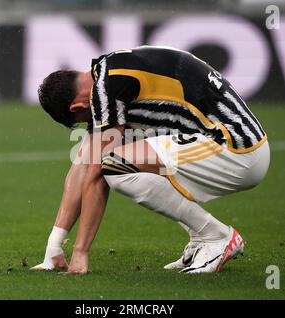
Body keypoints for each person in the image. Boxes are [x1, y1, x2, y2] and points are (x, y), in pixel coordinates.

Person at [31, 46, 270, 274]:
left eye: (84, 119)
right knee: (114, 155)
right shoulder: (107, 72)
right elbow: (83, 162)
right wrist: (55, 245)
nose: (89, 123)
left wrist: (80, 252)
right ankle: (201, 238)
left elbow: (95, 174)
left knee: (114, 165)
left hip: (237, 149)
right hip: (231, 141)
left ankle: (217, 236)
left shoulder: (106, 90)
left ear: (77, 106)